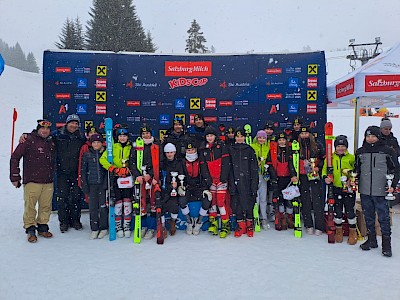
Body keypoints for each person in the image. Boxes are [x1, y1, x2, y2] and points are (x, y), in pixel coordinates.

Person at [355, 126, 399, 257]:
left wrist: (393, 185)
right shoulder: (360, 151)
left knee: (383, 218)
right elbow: (356, 169)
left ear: (378, 136)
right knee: (368, 216)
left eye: (373, 136)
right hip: (365, 191)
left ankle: (386, 245)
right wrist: (353, 180)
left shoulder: (387, 151)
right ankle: (372, 240)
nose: (370, 138)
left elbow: (396, 170)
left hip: (381, 191)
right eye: (368, 136)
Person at [10, 120, 55, 243]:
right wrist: (15, 176)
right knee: (30, 206)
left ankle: (42, 227)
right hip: (32, 180)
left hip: (48, 181)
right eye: (42, 128)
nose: (45, 131)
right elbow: (15, 157)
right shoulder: (28, 140)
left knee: (46, 206)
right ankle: (30, 229)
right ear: (38, 129)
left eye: (47, 129)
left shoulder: (52, 141)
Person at [53, 114, 86, 232]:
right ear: (67, 124)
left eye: (76, 124)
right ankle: (64, 222)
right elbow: (42, 136)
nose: (74, 125)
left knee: (76, 197)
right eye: (72, 123)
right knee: (62, 198)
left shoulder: (81, 138)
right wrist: (27, 135)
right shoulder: (58, 135)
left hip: (76, 173)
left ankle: (75, 220)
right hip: (62, 173)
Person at [322, 135, 357, 245]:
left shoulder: (351, 157)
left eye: (343, 146)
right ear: (335, 147)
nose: (340, 148)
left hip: (349, 189)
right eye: (338, 146)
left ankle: (353, 231)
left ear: (346, 147)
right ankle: (338, 230)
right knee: (337, 211)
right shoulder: (330, 158)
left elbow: (356, 171)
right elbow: (324, 171)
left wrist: (352, 180)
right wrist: (326, 178)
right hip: (336, 188)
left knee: (349, 210)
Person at [100, 125, 133, 238]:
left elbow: (136, 160)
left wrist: (128, 169)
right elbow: (102, 159)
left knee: (127, 202)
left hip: (128, 178)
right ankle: (118, 226)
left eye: (124, 136)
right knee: (118, 202)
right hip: (116, 178)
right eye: (120, 136)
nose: (122, 138)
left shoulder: (131, 147)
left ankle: (127, 225)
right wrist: (113, 168)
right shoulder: (113, 147)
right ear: (117, 137)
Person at [129, 125, 161, 240]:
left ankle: (152, 227)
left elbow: (159, 162)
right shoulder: (136, 146)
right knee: (141, 203)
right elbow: (131, 162)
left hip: (152, 178)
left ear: (151, 133)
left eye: (147, 133)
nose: (145, 135)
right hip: (140, 179)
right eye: (143, 134)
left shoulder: (156, 146)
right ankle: (142, 226)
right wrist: (137, 175)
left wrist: (151, 174)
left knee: (153, 202)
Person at [199, 126, 231, 238]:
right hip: (211, 181)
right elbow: (203, 167)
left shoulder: (221, 146)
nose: (209, 138)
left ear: (215, 136)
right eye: (207, 136)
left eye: (211, 135)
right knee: (212, 203)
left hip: (221, 180)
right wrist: (208, 180)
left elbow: (226, 163)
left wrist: (223, 177)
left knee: (221, 203)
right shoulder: (203, 149)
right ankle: (213, 224)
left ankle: (225, 225)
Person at [294, 126, 325, 235]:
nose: (304, 136)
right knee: (305, 199)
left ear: (310, 134)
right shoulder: (297, 146)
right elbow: (293, 160)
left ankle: (319, 226)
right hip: (302, 175)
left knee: (317, 199)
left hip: (314, 175)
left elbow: (323, 159)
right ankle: (308, 224)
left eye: (306, 133)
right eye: (302, 134)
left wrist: (318, 167)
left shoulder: (317, 145)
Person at [229, 127, 259, 237]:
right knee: (237, 203)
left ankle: (249, 224)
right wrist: (231, 182)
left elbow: (254, 168)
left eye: (242, 136)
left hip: (248, 181)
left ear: (245, 137)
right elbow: (229, 167)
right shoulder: (231, 149)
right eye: (238, 136)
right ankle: (240, 224)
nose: (240, 138)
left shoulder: (250, 150)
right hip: (235, 180)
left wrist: (254, 183)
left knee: (249, 202)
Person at [181, 140, 213, 235]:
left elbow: (205, 175)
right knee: (182, 199)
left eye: (192, 150)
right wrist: (181, 187)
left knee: (208, 199)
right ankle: (189, 221)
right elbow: (180, 175)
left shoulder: (201, 160)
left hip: (199, 187)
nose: (191, 152)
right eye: (188, 150)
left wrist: (205, 188)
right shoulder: (182, 162)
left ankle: (199, 221)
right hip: (188, 187)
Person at [80, 133, 109, 240]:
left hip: (102, 185)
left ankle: (104, 227)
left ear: (102, 143)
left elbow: (107, 171)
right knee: (93, 208)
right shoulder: (87, 155)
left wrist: (106, 184)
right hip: (92, 185)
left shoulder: (105, 154)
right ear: (91, 144)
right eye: (94, 142)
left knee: (102, 207)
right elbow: (83, 171)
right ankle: (94, 228)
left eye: (98, 142)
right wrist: (84, 184)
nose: (96, 144)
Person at [269, 131, 296, 230]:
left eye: (283, 140)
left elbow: (292, 164)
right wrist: (273, 176)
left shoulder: (290, 150)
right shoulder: (274, 151)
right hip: (278, 178)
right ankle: (282, 217)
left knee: (288, 199)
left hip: (288, 178)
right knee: (279, 198)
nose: (281, 142)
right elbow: (271, 164)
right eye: (279, 140)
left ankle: (289, 217)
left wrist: (293, 175)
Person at [160, 143, 186, 236]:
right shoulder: (162, 163)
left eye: (171, 152)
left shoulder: (179, 163)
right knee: (160, 204)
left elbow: (182, 176)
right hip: (164, 188)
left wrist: (178, 184)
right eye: (167, 152)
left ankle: (173, 222)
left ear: (174, 152)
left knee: (174, 204)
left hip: (174, 189)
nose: (169, 154)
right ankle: (162, 226)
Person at [251, 130, 270, 229]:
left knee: (263, 198)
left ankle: (264, 218)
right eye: (260, 138)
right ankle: (256, 217)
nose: (261, 139)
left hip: (263, 175)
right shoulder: (252, 147)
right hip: (255, 175)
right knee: (256, 198)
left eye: (263, 138)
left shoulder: (268, 147)